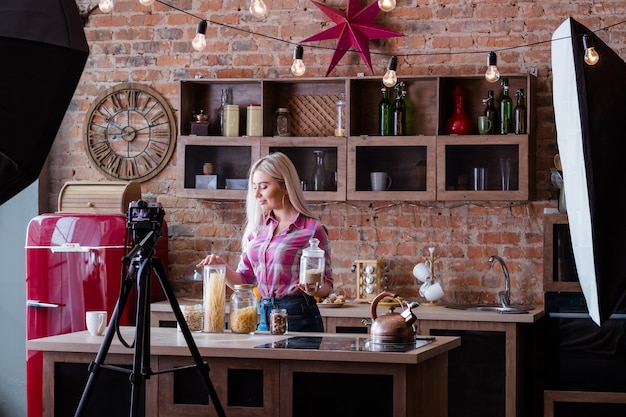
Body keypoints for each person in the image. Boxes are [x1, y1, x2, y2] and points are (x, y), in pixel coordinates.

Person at [197, 152, 333, 332]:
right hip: (263, 314)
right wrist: (220, 267)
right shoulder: (258, 228)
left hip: (299, 316)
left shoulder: (311, 229)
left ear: (285, 186)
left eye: (263, 186)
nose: (257, 194)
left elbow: (328, 285)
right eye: (254, 187)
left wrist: (315, 290)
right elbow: (244, 280)